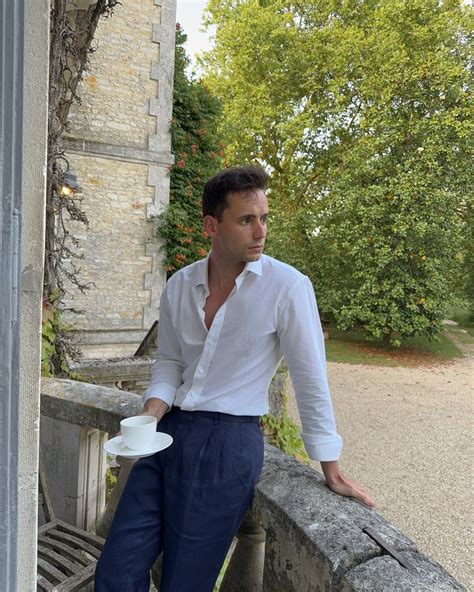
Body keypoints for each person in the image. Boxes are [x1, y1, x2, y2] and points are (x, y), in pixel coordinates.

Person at [95, 165, 374, 591]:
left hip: (230, 444)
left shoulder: (288, 288)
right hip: (166, 434)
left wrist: (330, 466)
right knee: (116, 568)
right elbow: (169, 361)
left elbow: (310, 379)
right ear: (212, 225)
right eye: (246, 220)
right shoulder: (180, 285)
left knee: (185, 581)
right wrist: (151, 412)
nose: (260, 231)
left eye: (263, 218)